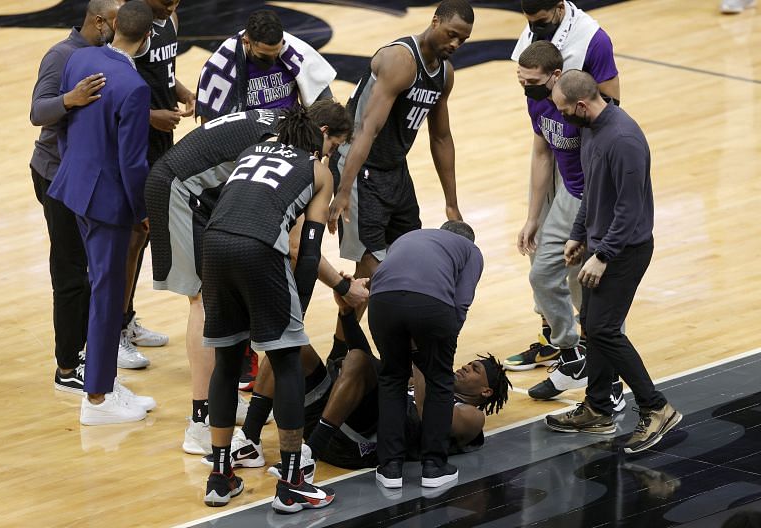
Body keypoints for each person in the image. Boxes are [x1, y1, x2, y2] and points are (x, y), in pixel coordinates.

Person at [144, 100, 367, 455]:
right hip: (182, 190)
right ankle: (200, 422)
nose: (330, 156)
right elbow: (297, 247)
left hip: (196, 190)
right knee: (204, 299)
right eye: (334, 147)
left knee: (225, 295)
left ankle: (221, 408)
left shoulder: (285, 125)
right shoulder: (291, 149)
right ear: (323, 133)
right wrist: (340, 286)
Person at [200, 108, 340, 512]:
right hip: (258, 248)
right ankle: (293, 481)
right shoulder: (318, 171)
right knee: (286, 361)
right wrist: (297, 303)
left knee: (226, 362)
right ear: (319, 141)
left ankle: (220, 476)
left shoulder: (253, 149)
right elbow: (308, 249)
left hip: (214, 244)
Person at [217, 290, 510, 480]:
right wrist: (346, 314)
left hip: (360, 445)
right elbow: (367, 363)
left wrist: (421, 357)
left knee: (357, 359)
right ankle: (250, 441)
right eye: (468, 364)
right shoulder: (422, 374)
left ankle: (310, 456)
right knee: (289, 348)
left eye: (473, 370)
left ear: (485, 392)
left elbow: (430, 418)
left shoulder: (473, 416)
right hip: (334, 419)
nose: (464, 368)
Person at [326, 0, 474, 361]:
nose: (455, 43)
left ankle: (348, 353)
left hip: (395, 170)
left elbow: (441, 137)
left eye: (463, 40)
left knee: (407, 258)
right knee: (378, 272)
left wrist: (451, 202)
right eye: (451, 34)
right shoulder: (400, 61)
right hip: (358, 168)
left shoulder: (444, 74)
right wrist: (342, 190)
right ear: (435, 21)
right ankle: (347, 354)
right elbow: (366, 130)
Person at [544, 70, 681, 454]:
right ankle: (598, 407)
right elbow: (592, 188)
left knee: (604, 329)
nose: (559, 114)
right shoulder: (589, 129)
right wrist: (578, 234)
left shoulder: (623, 139)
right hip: (601, 244)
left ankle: (657, 407)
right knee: (592, 324)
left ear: (582, 105)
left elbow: (629, 206)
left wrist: (603, 255)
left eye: (563, 108)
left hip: (626, 250)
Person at [48, 0, 157, 425]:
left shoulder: (80, 58)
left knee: (101, 290)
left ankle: (105, 381)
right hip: (108, 203)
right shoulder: (134, 87)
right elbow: (133, 163)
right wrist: (142, 211)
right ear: (146, 37)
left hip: (74, 187)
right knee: (108, 295)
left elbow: (64, 122)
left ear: (114, 27)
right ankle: (96, 398)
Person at [507, 0, 621, 374]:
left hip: (587, 177)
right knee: (538, 255)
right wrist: (531, 215)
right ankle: (556, 342)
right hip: (560, 162)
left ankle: (593, 348)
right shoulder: (537, 97)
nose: (534, 27)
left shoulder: (592, 39)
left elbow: (613, 108)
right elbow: (540, 149)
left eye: (540, 22)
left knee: (576, 269)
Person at [30, 0, 123, 395]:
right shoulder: (61, 55)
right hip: (56, 177)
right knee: (70, 275)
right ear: (99, 21)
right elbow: (37, 112)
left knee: (88, 271)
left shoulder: (104, 54)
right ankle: (66, 368)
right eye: (117, 21)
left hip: (84, 179)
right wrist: (70, 99)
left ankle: (82, 350)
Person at [111, 0, 197, 371]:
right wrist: (150, 116)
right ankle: (110, 332)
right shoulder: (126, 23)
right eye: (166, 1)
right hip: (134, 139)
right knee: (131, 237)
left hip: (162, 141)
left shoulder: (169, 18)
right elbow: (110, 85)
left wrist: (181, 91)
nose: (172, 6)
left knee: (144, 235)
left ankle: (126, 318)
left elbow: (164, 66)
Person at [368, 221, 483, 489]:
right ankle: (433, 466)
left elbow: (387, 275)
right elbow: (461, 302)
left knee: (392, 378)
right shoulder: (471, 251)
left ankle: (390, 468)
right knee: (440, 380)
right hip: (430, 304)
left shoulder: (409, 236)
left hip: (381, 301)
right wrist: (438, 348)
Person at [196, 9, 336, 121]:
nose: (273, 59)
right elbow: (208, 124)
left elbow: (324, 101)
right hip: (247, 139)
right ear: (246, 42)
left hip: (292, 130)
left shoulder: (294, 50)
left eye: (277, 52)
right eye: (265, 56)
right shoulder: (221, 65)